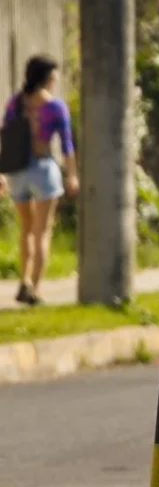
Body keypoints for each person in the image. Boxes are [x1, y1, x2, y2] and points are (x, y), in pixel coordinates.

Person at [1, 55, 78, 307]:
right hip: (43, 169)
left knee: (26, 229)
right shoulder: (55, 107)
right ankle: (34, 289)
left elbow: (6, 138)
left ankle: (23, 280)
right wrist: (72, 175)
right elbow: (66, 146)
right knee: (42, 231)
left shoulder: (15, 103)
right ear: (47, 78)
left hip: (17, 171)